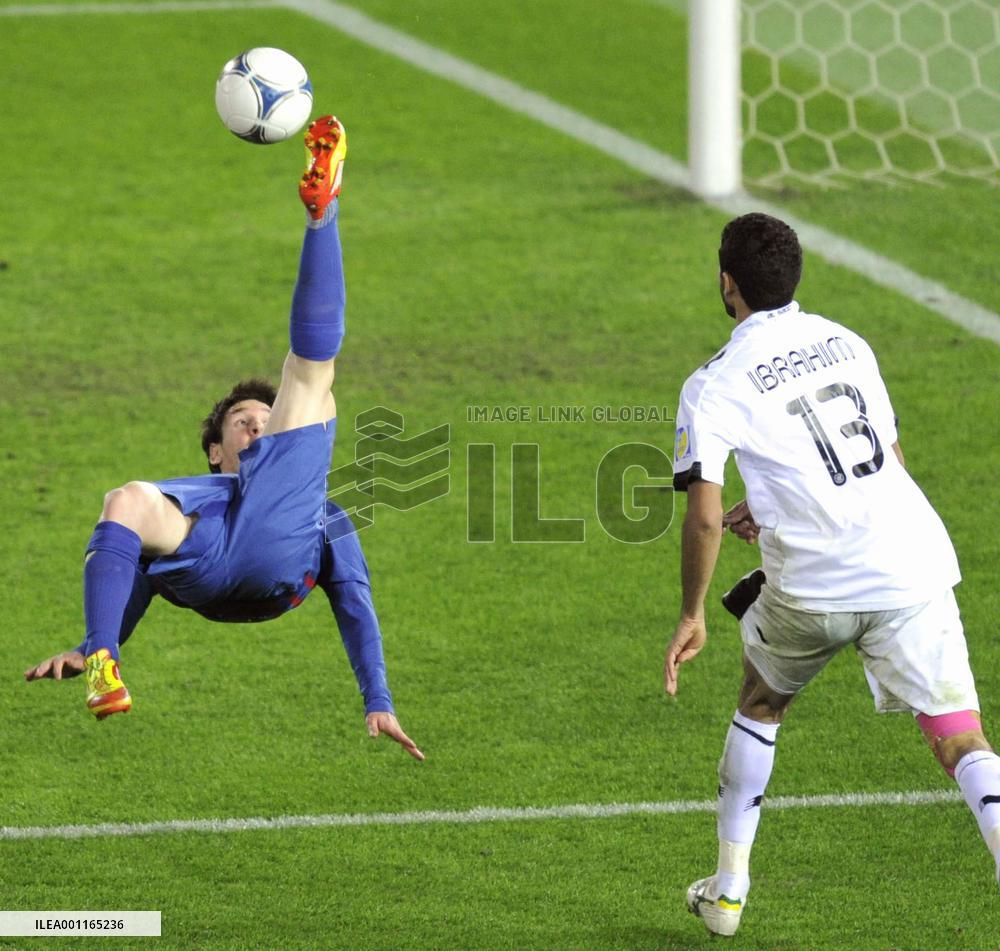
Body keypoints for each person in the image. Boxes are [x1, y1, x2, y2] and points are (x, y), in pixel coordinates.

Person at [24, 115, 423, 762]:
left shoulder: (319, 510)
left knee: (312, 375)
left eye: (264, 417)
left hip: (278, 549)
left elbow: (354, 597)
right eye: (241, 419)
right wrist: (94, 637)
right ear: (216, 448)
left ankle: (322, 211)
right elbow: (140, 577)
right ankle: (103, 666)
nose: (256, 422)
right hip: (208, 558)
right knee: (124, 498)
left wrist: (377, 696)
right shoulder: (200, 494)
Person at [664, 212, 998, 936]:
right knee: (959, 738)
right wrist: (778, 503)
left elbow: (703, 517)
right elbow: (889, 462)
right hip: (910, 562)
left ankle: (727, 890)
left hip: (814, 587)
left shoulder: (713, 383)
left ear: (728, 284)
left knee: (760, 702)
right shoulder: (847, 341)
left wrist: (692, 613)